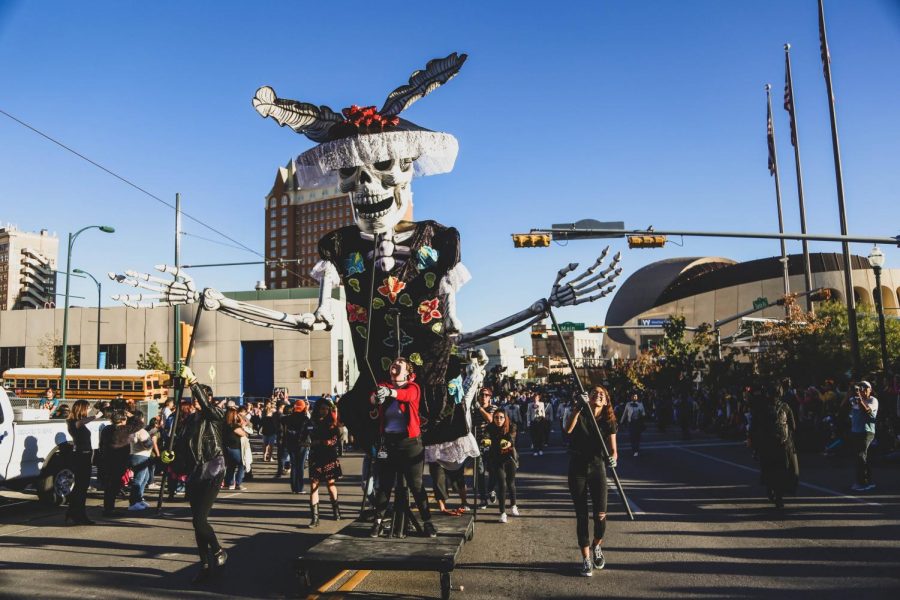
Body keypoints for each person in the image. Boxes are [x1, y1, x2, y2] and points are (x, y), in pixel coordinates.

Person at [369, 357, 437, 539]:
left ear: (408, 372)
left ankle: (427, 521)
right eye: (394, 362)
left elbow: (407, 396)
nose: (396, 364)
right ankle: (378, 521)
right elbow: (373, 399)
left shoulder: (412, 387)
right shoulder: (383, 385)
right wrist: (377, 396)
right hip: (389, 443)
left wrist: (389, 393)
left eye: (401, 363)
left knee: (416, 485)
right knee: (384, 485)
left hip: (410, 444)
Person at [179, 365, 228, 584]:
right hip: (194, 473)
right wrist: (169, 456)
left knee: (200, 518)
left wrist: (193, 381)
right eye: (193, 397)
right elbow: (182, 445)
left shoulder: (215, 415)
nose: (195, 401)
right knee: (196, 524)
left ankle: (218, 550)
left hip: (213, 470)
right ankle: (205, 565)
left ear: (208, 398)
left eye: (198, 397)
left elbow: (209, 408)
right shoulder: (190, 420)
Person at [565, 386, 618, 577]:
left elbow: (614, 450)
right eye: (595, 392)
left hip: (597, 468)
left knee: (600, 515)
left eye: (602, 394)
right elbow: (568, 430)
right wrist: (579, 407)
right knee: (581, 516)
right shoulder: (581, 413)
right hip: (577, 468)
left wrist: (613, 459)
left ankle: (597, 545)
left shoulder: (608, 420)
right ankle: (586, 559)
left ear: (606, 401)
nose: (598, 394)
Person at [747, 387, 799, 508]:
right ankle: (778, 495)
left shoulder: (760, 407)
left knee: (769, 468)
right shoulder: (785, 406)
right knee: (782, 470)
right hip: (783, 444)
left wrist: (753, 442)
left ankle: (771, 488)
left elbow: (754, 426)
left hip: (767, 444)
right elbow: (793, 426)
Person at [307, 398, 343, 527]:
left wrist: (322, 442)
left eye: (327, 409)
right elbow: (303, 438)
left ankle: (336, 510)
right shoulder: (310, 423)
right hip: (315, 456)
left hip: (329, 456)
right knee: (313, 485)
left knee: (330, 484)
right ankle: (315, 518)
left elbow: (335, 440)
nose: (325, 411)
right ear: (317, 409)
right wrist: (309, 443)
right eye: (322, 408)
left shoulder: (332, 424)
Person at [65, 400, 101, 524]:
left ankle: (73, 511)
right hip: (81, 456)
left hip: (83, 455)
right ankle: (79, 514)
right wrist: (95, 416)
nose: (88, 410)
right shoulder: (74, 422)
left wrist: (95, 408)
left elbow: (82, 418)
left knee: (81, 487)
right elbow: (81, 422)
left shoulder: (75, 421)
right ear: (81, 409)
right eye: (87, 408)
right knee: (81, 487)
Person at [99, 410, 139, 516]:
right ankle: (109, 509)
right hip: (120, 460)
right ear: (122, 420)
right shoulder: (124, 429)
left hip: (107, 459)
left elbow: (101, 443)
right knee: (115, 485)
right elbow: (140, 424)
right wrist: (132, 416)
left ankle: (108, 507)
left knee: (109, 485)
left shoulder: (106, 429)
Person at [485, 410, 519, 523]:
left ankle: (513, 505)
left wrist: (507, 443)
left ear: (505, 418)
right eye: (496, 417)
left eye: (501, 417)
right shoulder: (490, 427)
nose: (498, 420)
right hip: (496, 459)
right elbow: (486, 437)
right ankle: (502, 512)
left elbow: (511, 440)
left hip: (509, 459)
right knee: (502, 484)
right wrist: (485, 441)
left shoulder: (511, 426)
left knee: (511, 483)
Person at [849, 381, 878, 491]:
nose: (863, 390)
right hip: (856, 431)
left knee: (861, 456)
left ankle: (862, 483)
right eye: (861, 388)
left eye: (865, 388)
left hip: (867, 432)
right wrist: (851, 392)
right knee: (863, 457)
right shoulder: (855, 399)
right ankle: (868, 481)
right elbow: (843, 405)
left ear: (870, 389)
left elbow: (866, 410)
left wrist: (859, 397)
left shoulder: (873, 400)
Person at [127, 410, 158, 511]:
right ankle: (133, 502)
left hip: (136, 456)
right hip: (141, 457)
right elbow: (147, 444)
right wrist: (153, 441)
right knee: (138, 480)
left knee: (145, 478)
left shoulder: (132, 430)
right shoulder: (141, 431)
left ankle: (139, 499)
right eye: (142, 417)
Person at [472, 387, 497, 508]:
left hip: (491, 445)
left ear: (490, 397)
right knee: (480, 473)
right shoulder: (474, 410)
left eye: (486, 395)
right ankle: (483, 498)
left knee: (492, 471)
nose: (483, 397)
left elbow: (490, 419)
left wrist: (480, 408)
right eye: (481, 395)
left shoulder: (493, 408)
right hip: (478, 445)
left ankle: (491, 490)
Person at [282, 400, 312, 494]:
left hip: (291, 443)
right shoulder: (305, 418)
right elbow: (309, 430)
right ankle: (299, 488)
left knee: (294, 465)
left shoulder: (288, 418)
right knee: (300, 466)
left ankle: (294, 487)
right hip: (302, 444)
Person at [223, 407, 248, 491]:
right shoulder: (234, 426)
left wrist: (239, 417)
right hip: (234, 448)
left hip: (227, 448)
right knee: (242, 464)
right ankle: (238, 483)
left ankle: (228, 483)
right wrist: (242, 421)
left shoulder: (225, 425)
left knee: (231, 466)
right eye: (236, 414)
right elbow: (243, 433)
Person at [620, 393, 646, 457]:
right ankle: (634, 449)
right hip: (631, 422)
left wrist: (641, 413)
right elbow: (625, 413)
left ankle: (636, 449)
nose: (634, 397)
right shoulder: (628, 404)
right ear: (631, 397)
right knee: (632, 436)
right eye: (633, 396)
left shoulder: (640, 404)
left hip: (638, 422)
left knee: (637, 436)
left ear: (637, 397)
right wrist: (621, 421)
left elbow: (644, 413)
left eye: (635, 396)